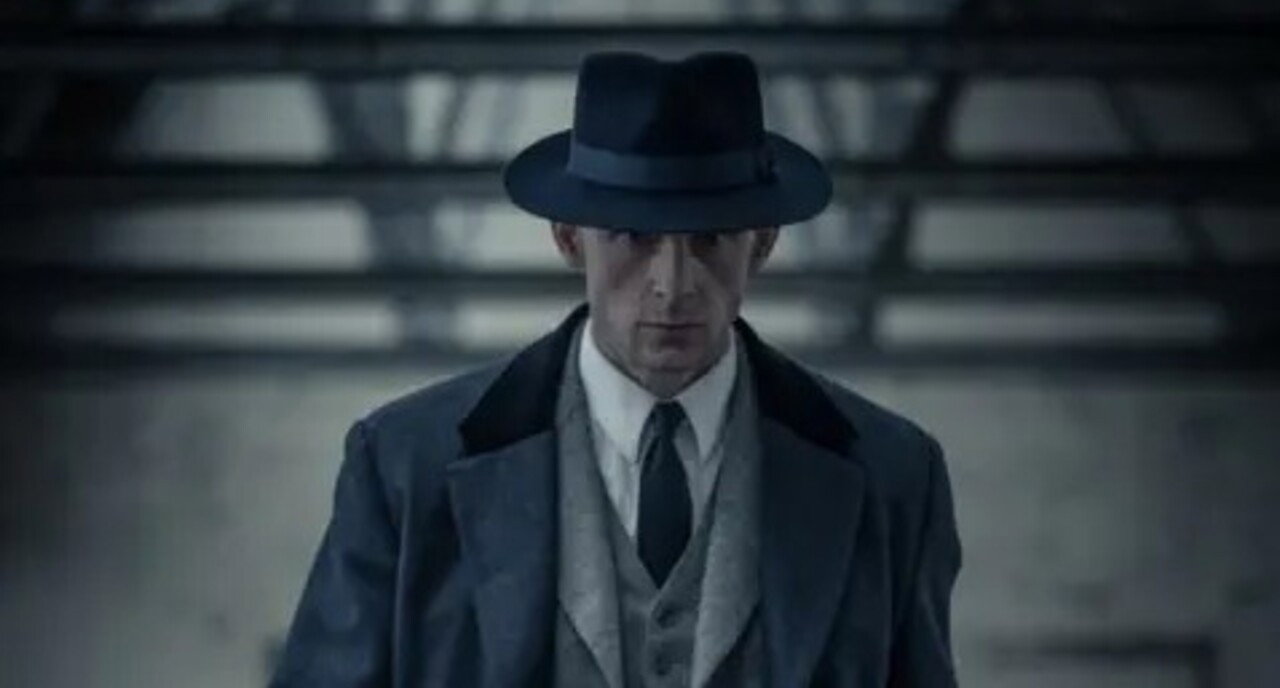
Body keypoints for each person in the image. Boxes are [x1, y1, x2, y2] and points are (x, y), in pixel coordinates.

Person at [270, 50, 962, 688]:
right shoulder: (404, 466)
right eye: (634, 236)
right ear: (570, 238)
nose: (672, 284)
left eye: (710, 239)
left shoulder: (894, 478)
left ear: (762, 243)